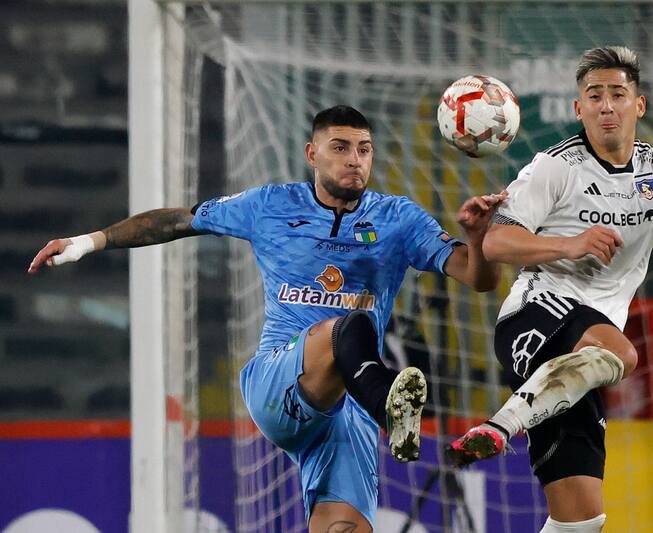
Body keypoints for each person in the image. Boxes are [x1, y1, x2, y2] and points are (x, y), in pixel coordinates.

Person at [28, 105, 506, 533]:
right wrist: (87, 242)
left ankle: (382, 409)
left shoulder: (399, 218)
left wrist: (479, 238)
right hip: (280, 380)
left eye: (364, 150)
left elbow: (477, 277)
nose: (354, 160)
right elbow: (177, 221)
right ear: (311, 154)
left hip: (349, 410)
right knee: (349, 326)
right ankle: (390, 407)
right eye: (340, 148)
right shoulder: (270, 206)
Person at [445, 46, 653, 533]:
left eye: (617, 94)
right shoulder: (555, 166)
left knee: (581, 519)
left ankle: (503, 428)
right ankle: (498, 428)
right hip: (534, 315)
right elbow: (494, 241)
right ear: (579, 108)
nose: (605, 105)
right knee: (624, 353)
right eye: (594, 95)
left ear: (638, 104)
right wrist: (571, 243)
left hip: (576, 366)